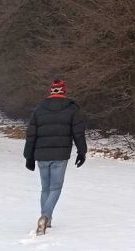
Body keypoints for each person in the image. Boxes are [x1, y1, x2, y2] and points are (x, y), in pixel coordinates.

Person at [23, 78, 87, 235]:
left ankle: (47, 220)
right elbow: (78, 133)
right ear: (64, 91)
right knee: (56, 188)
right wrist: (81, 152)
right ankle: (45, 217)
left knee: (45, 188)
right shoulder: (72, 109)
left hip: (41, 155)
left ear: (51, 91)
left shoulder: (39, 110)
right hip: (60, 155)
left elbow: (31, 135)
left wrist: (28, 156)